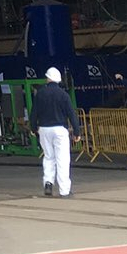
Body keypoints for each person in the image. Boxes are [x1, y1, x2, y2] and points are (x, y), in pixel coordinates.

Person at [29, 67, 80, 198]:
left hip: (44, 129)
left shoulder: (40, 93)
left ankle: (48, 183)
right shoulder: (63, 95)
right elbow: (71, 114)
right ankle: (64, 191)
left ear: (48, 78)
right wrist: (77, 132)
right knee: (62, 159)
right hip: (59, 130)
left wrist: (33, 128)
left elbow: (34, 113)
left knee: (48, 157)